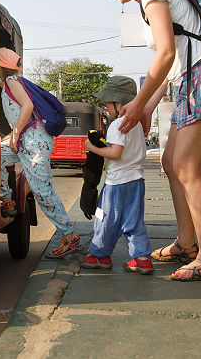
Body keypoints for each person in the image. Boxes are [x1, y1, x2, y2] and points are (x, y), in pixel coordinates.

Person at [102, 0, 201, 281]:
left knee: (188, 168)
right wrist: (146, 108)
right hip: (186, 80)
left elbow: (166, 53)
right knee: (170, 162)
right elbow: (172, 66)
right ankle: (187, 244)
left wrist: (139, 102)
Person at [0, 48, 80, 259]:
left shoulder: (12, 81)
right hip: (27, 141)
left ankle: (69, 235)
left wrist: (14, 134)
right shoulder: (8, 85)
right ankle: (8, 200)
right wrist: (10, 137)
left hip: (34, 142)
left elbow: (28, 107)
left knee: (42, 190)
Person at [81, 76, 153, 275]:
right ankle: (142, 259)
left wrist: (91, 148)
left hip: (116, 184)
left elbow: (115, 153)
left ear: (118, 103)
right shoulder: (137, 124)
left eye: (107, 104)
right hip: (136, 181)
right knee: (134, 221)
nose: (106, 109)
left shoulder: (118, 124)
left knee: (104, 218)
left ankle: (99, 255)